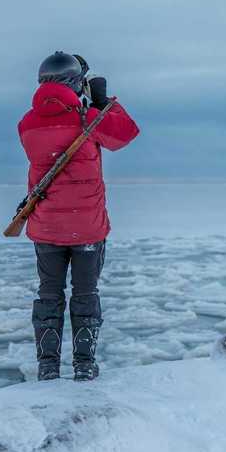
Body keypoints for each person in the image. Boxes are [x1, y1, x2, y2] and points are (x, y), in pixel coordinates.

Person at [17, 52, 139, 381]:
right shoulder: (88, 118)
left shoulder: (27, 123)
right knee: (85, 294)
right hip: (87, 227)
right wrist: (102, 102)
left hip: (47, 226)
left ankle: (47, 366)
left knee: (49, 294)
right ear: (75, 81)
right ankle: (84, 365)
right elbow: (124, 135)